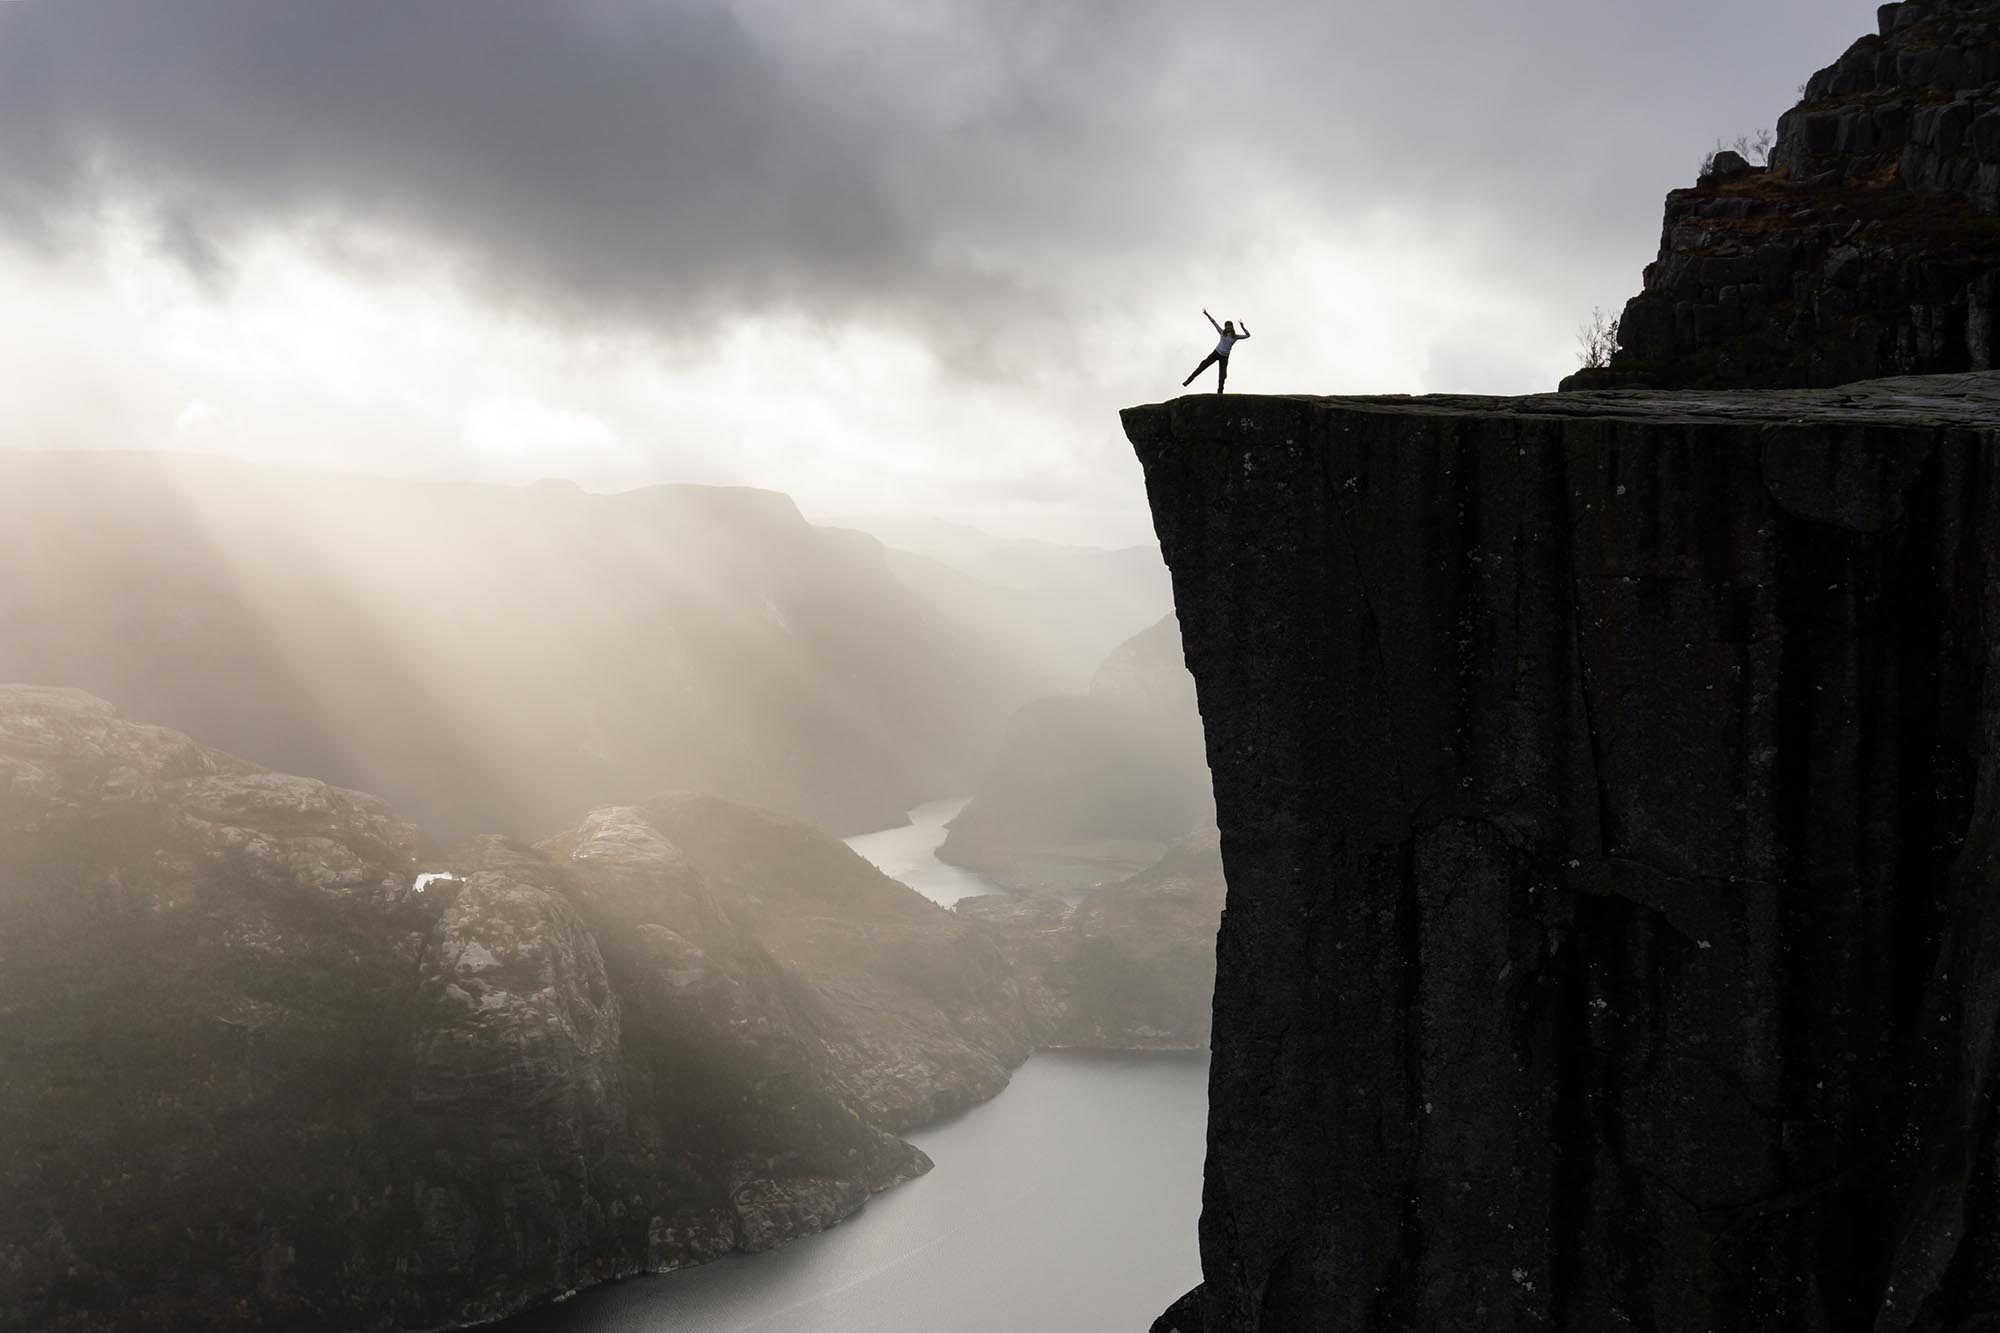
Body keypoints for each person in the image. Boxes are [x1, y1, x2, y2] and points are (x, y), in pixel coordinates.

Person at [1182, 309, 1249, 392]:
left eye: (1229, 325)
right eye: (1227, 325)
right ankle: (1188, 380)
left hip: (1224, 357)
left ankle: (1220, 392)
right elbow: (1214, 322)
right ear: (1225, 327)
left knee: (1223, 375)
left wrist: (1242, 327)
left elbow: (1248, 335)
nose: (1228, 327)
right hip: (1216, 353)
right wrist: (1207, 314)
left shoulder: (1235, 336)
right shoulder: (1222, 332)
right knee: (1203, 365)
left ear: (1232, 327)